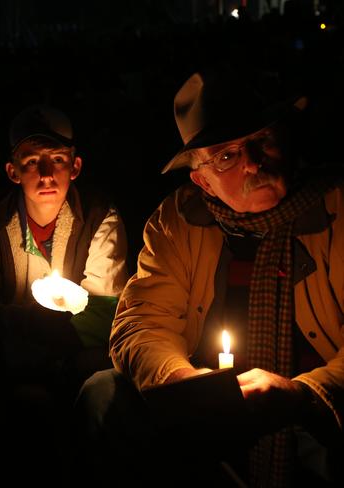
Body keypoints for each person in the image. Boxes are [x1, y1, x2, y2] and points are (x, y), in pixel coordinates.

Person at [75, 67, 343, 486]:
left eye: (262, 141)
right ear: (203, 181)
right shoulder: (177, 221)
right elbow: (142, 322)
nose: (253, 162)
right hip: (204, 420)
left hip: (319, 422)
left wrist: (304, 397)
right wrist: (184, 383)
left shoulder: (337, 209)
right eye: (226, 156)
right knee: (102, 391)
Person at [0, 105, 128, 484]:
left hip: (74, 363)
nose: (47, 174)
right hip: (8, 366)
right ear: (12, 171)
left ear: (75, 166)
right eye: (32, 161)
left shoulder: (100, 217)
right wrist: (35, 333)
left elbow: (106, 317)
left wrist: (15, 326)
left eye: (58, 159)